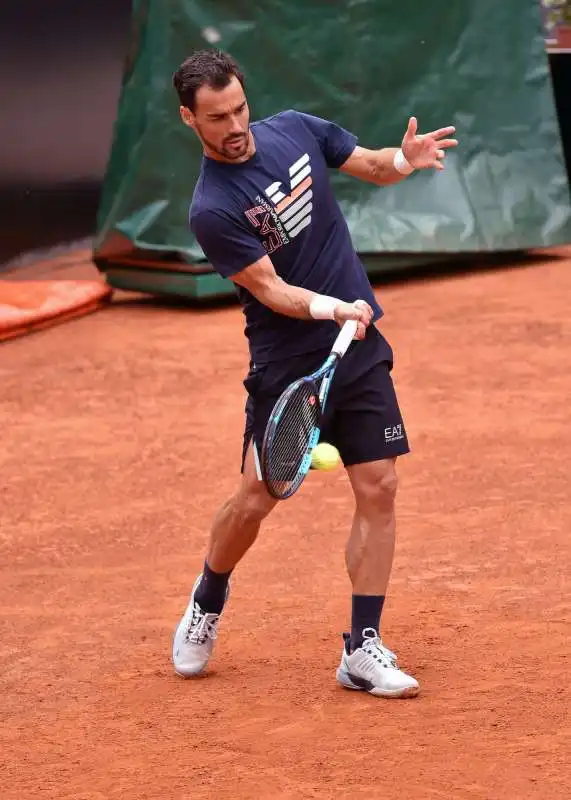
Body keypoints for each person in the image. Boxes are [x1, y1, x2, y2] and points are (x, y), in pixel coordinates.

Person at [171, 49, 457, 698]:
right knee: (254, 500)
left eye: (240, 108)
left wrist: (401, 162)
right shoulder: (211, 208)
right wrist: (330, 307)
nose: (234, 124)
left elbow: (369, 165)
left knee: (379, 484)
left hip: (356, 346)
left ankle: (361, 648)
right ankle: (208, 595)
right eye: (217, 117)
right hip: (287, 362)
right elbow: (270, 290)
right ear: (191, 119)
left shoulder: (295, 129)